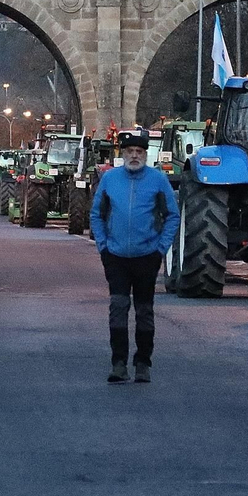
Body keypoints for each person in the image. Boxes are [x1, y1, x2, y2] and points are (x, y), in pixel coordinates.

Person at [89, 130, 179, 384]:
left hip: (146, 256)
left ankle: (143, 363)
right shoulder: (109, 180)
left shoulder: (158, 180)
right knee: (118, 307)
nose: (135, 156)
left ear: (145, 154)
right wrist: (103, 247)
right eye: (130, 152)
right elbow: (96, 214)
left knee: (144, 310)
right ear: (123, 154)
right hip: (116, 256)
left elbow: (172, 215)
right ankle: (118, 363)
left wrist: (160, 248)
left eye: (139, 152)